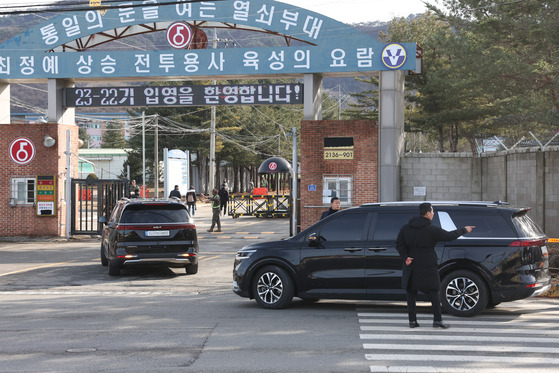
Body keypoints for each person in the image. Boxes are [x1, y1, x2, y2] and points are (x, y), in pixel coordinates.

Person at [396, 202, 475, 329]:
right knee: (434, 291)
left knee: (411, 292)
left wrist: (405, 257)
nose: (433, 214)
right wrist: (464, 229)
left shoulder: (405, 228)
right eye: (432, 212)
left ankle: (412, 321)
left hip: (411, 263)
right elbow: (450, 236)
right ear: (427, 214)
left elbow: (399, 244)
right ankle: (437, 320)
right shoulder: (431, 229)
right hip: (427, 263)